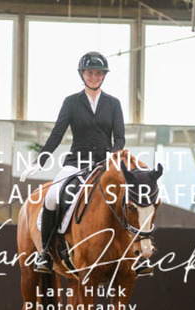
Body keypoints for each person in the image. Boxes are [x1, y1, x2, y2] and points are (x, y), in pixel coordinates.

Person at [19, 51, 125, 273]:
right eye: (90, 73)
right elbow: (57, 134)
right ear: (82, 74)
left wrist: (112, 156)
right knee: (52, 196)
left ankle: (137, 254)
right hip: (76, 162)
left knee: (130, 198)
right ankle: (45, 252)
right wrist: (40, 160)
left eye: (98, 73)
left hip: (103, 164)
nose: (94, 77)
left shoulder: (113, 104)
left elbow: (120, 138)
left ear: (104, 76)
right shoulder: (71, 102)